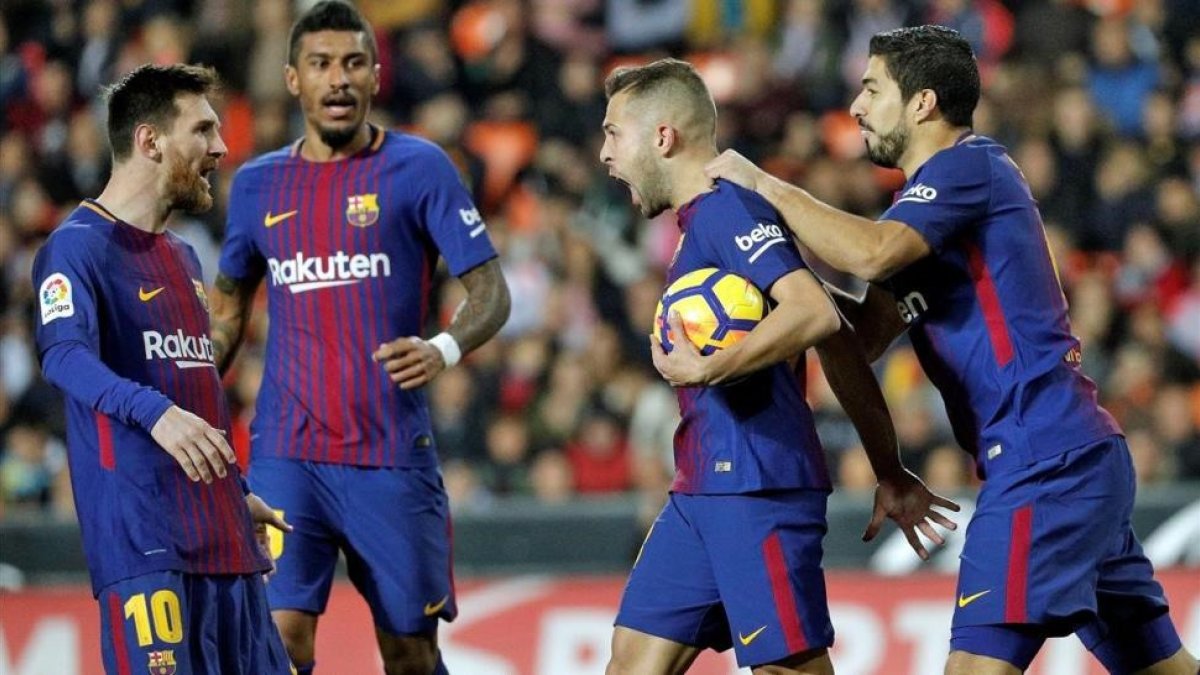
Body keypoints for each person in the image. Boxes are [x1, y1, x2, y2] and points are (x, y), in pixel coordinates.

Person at [703, 25, 1199, 675]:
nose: (855, 107)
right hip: (1069, 456)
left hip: (1041, 460)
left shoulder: (968, 167)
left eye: (871, 88)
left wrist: (762, 187)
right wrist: (788, 279)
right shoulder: (924, 216)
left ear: (923, 103)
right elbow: (860, 338)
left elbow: (872, 251)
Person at [599, 58, 957, 675]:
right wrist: (887, 468)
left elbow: (813, 312)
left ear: (663, 137)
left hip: (757, 484)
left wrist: (711, 368)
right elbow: (843, 338)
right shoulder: (698, 224)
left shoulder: (727, 212)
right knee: (629, 665)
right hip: (701, 488)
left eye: (612, 134)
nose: (604, 154)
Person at [208, 3, 511, 674]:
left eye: (352, 63)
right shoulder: (256, 185)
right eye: (320, 65)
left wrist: (444, 347)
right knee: (280, 641)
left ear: (376, 75)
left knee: (408, 652)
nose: (337, 79)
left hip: (390, 454)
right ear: (293, 80)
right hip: (288, 452)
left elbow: (491, 291)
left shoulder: (421, 168)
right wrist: (187, 408)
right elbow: (228, 309)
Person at [31, 64, 292, 675]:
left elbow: (192, 393)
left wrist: (235, 493)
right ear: (150, 141)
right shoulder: (76, 247)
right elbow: (63, 355)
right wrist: (158, 415)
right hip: (146, 549)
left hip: (225, 545)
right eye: (202, 131)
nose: (222, 147)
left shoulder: (184, 256)